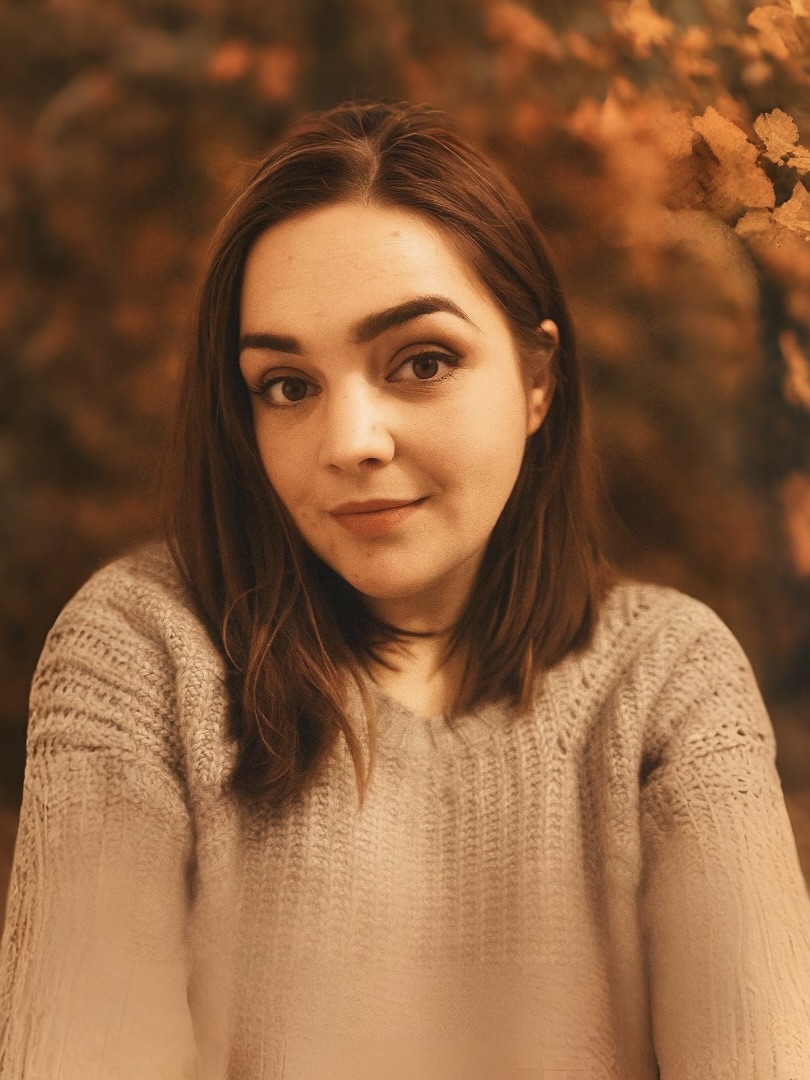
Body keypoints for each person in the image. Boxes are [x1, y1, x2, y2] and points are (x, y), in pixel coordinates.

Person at [0, 101, 808, 1080]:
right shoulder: (137, 653)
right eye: (287, 385)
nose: (350, 443)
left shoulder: (672, 682)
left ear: (537, 379)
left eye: (422, 363)